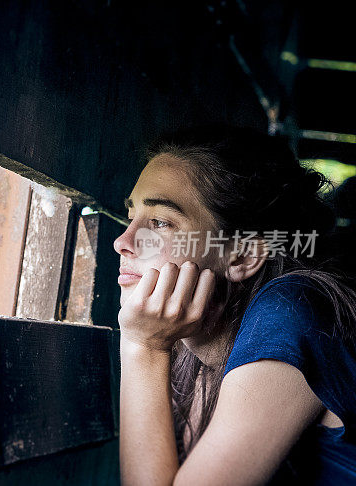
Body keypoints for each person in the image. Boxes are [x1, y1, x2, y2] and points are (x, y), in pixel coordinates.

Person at [114, 125, 356, 485]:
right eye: (132, 217)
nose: (123, 241)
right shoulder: (206, 344)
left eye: (160, 222)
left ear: (242, 255)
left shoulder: (289, 312)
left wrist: (143, 346)